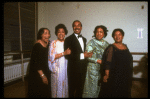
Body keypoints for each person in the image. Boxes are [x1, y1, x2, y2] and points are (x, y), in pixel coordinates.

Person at [99, 28, 133, 98]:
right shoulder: (111, 47)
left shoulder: (125, 46)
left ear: (123, 36)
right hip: (115, 77)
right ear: (113, 37)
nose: (117, 36)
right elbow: (107, 62)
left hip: (125, 76)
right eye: (115, 35)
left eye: (119, 34)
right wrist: (106, 75)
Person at [64, 20, 93, 98]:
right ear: (73, 27)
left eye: (78, 25)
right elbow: (67, 56)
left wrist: (88, 54)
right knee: (72, 90)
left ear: (81, 27)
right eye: (75, 25)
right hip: (73, 70)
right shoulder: (68, 39)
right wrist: (83, 55)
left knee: (80, 90)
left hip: (83, 69)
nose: (77, 27)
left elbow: (83, 52)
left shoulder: (84, 39)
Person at [82, 25, 109, 98]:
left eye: (101, 32)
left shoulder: (107, 44)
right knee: (91, 90)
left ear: (104, 33)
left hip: (102, 69)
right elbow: (87, 56)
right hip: (92, 70)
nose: (99, 33)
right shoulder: (91, 42)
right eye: (97, 32)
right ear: (95, 33)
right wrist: (97, 60)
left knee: (100, 89)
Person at [48, 24, 71, 98]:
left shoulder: (68, 43)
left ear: (65, 33)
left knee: (65, 87)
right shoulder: (53, 43)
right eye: (59, 32)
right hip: (57, 70)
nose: (61, 33)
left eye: (63, 32)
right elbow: (51, 57)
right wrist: (64, 53)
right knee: (57, 88)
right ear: (56, 33)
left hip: (66, 69)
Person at [27, 28, 51, 98]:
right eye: (45, 33)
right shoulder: (37, 46)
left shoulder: (47, 43)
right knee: (38, 91)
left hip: (45, 69)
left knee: (45, 90)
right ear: (41, 35)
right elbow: (36, 63)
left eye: (48, 33)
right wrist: (43, 76)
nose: (48, 35)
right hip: (38, 73)